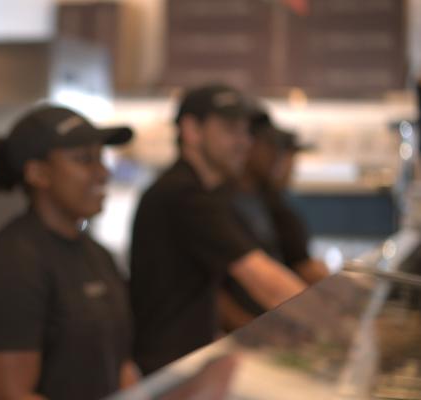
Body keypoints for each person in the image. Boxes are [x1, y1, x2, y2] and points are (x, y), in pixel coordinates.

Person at [0, 105, 139, 400]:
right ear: (38, 173)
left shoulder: (98, 255)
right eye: (84, 160)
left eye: (100, 158)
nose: (103, 172)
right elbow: (7, 395)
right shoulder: (10, 263)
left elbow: (119, 364)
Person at [129, 83, 308, 374]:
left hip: (191, 361)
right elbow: (261, 277)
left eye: (245, 131)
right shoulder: (182, 195)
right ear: (192, 131)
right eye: (230, 129)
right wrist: (334, 327)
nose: (244, 142)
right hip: (167, 371)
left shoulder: (209, 193)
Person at [220, 111, 329, 329]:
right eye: (272, 147)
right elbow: (219, 290)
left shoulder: (268, 200)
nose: (280, 159)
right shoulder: (219, 202)